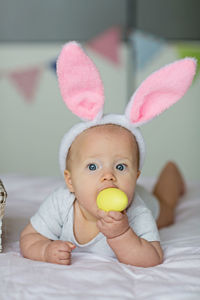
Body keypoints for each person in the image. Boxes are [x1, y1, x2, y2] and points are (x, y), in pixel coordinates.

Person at [20, 42, 196, 267]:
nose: (108, 176)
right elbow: (29, 237)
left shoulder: (136, 211)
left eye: (121, 167)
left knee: (167, 210)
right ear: (70, 180)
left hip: (151, 209)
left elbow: (152, 257)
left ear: (136, 176)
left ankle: (171, 174)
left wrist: (121, 235)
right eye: (93, 167)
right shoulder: (60, 203)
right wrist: (45, 250)